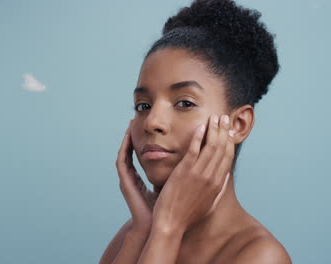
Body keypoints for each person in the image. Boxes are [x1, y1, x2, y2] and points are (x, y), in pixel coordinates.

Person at [100, 0, 292, 263]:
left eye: (185, 103)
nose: (152, 121)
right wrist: (142, 232)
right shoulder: (133, 234)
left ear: (239, 125)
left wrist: (167, 230)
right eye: (143, 105)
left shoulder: (258, 256)